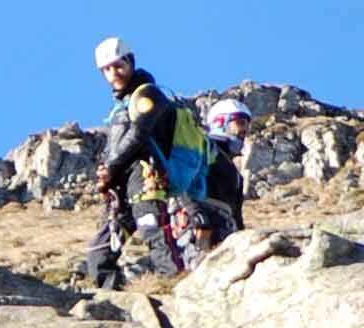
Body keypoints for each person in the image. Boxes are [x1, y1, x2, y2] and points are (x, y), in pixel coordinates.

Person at [85, 40, 221, 288]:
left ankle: (175, 286)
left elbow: (140, 133)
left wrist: (111, 168)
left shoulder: (149, 94)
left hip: (147, 179)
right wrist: (109, 176)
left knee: (155, 236)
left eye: (118, 65)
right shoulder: (121, 108)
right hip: (121, 189)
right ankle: (114, 303)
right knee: (99, 253)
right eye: (107, 69)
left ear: (131, 62)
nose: (114, 73)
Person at [200, 97, 253, 237]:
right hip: (201, 226)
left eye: (247, 125)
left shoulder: (233, 170)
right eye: (240, 123)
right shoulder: (203, 149)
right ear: (220, 122)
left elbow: (236, 214)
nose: (245, 131)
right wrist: (195, 214)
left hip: (225, 230)